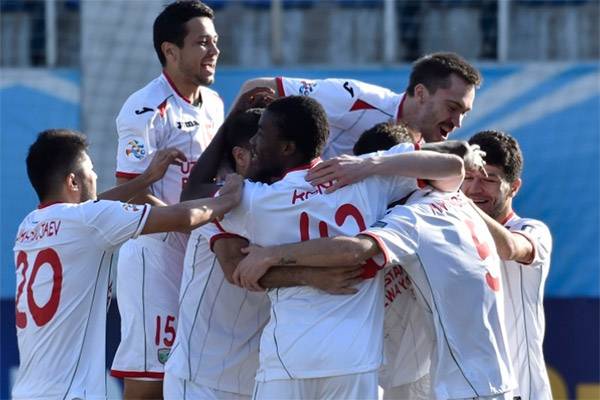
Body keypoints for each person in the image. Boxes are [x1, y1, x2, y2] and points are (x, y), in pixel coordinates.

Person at [199, 95, 466, 399]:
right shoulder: (366, 181)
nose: (254, 143)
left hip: (287, 360)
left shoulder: (255, 199)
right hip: (353, 361)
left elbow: (191, 200)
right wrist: (371, 163)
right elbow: (454, 168)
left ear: (287, 148)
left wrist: (231, 184)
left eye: (261, 134)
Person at [12, 129, 242, 400]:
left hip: (27, 392)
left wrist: (144, 180)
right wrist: (230, 197)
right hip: (70, 394)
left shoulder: (28, 226)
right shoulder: (88, 221)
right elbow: (183, 217)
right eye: (91, 169)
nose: (96, 176)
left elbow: (94, 209)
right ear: (73, 181)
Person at [235, 187, 516, 400]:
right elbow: (510, 248)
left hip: (467, 385)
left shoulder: (412, 217)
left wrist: (272, 254)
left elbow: (353, 252)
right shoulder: (460, 202)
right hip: (496, 376)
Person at [110, 1, 223, 397]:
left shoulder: (213, 103)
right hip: (155, 258)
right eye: (202, 43)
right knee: (150, 380)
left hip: (199, 254)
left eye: (215, 42)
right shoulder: (144, 108)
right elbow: (132, 191)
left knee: (192, 375)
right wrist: (186, 220)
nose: (213, 52)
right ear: (170, 51)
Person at [235, 51, 481, 158]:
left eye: (464, 113)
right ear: (421, 93)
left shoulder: (429, 151)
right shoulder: (357, 99)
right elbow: (254, 88)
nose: (458, 122)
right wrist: (223, 161)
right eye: (452, 108)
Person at [462, 130, 553, 400]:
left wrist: (457, 205)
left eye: (488, 180)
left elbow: (510, 248)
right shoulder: (450, 233)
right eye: (468, 177)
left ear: (514, 187)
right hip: (466, 388)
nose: (474, 189)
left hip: (521, 390)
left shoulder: (531, 230)